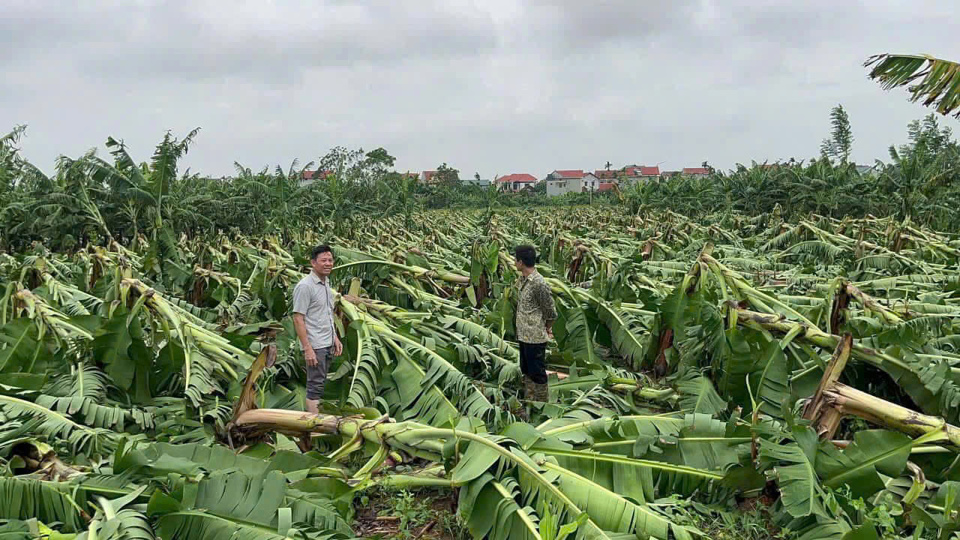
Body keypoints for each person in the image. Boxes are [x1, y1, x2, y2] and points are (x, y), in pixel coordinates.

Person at [292, 245, 343, 414]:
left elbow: (326, 313)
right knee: (314, 387)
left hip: (327, 342)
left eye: (330, 260)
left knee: (320, 384)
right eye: (323, 260)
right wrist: (308, 349)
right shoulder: (305, 286)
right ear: (313, 263)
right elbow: (298, 318)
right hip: (315, 345)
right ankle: (314, 427)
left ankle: (317, 418)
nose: (328, 263)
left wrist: (334, 337)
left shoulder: (326, 283)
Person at [513, 245, 557, 403]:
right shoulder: (523, 280)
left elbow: (550, 311)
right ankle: (529, 400)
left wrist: (547, 327)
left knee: (537, 373)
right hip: (524, 335)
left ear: (521, 262)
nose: (513, 261)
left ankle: (541, 404)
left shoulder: (539, 283)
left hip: (535, 336)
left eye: (515, 258)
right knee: (526, 370)